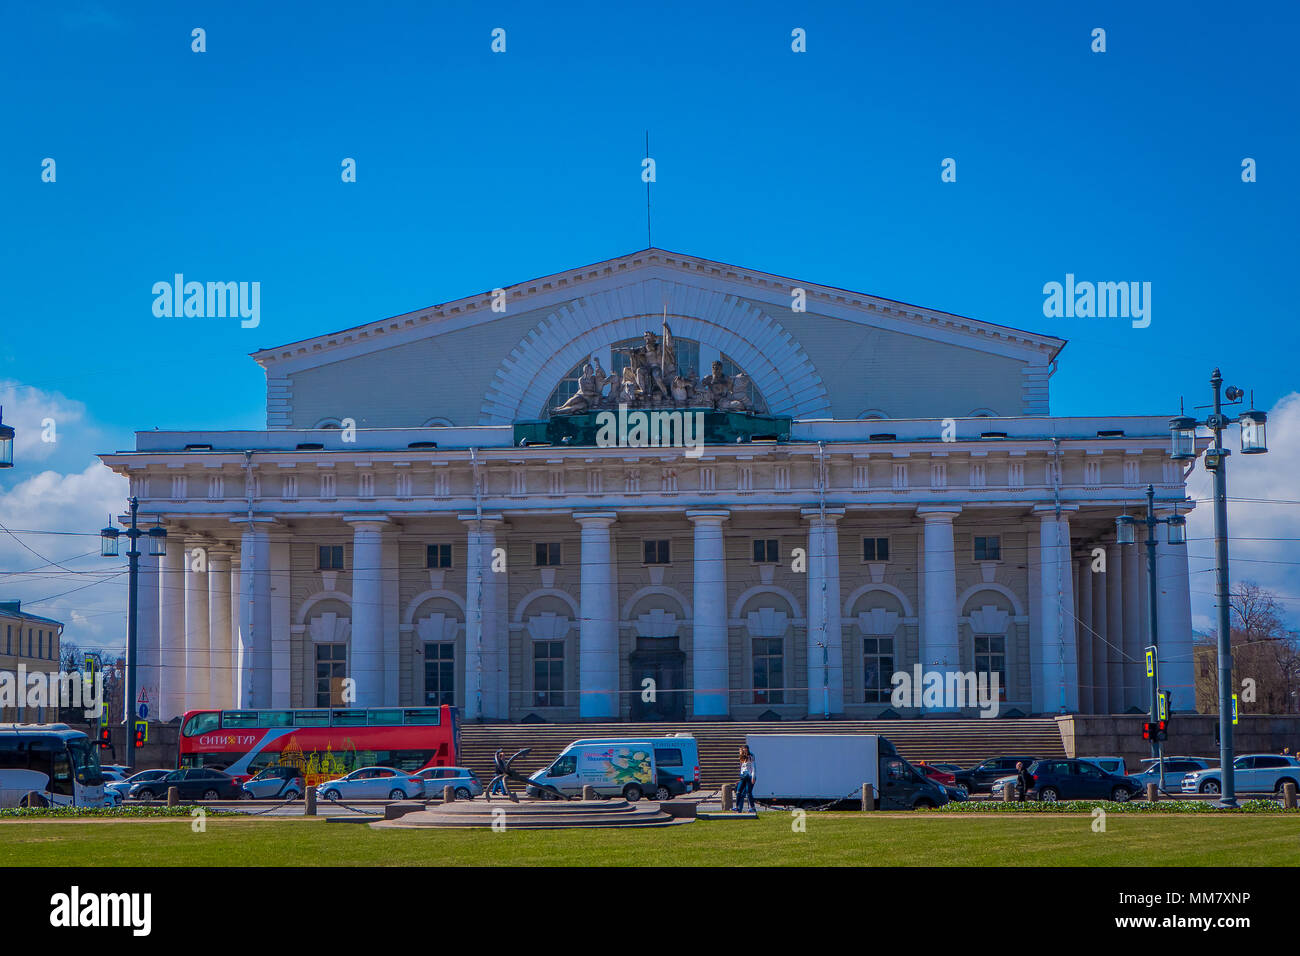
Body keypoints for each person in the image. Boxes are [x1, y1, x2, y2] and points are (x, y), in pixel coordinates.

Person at [735, 745, 757, 813]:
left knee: (748, 792)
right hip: (743, 777)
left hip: (749, 776)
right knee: (738, 791)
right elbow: (742, 769)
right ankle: (737, 807)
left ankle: (752, 808)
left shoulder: (751, 757)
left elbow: (753, 768)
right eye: (743, 750)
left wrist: (753, 777)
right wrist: (740, 778)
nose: (744, 751)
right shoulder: (742, 758)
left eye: (745, 750)